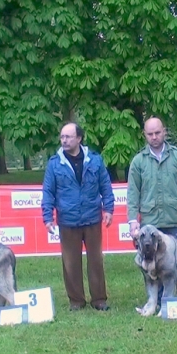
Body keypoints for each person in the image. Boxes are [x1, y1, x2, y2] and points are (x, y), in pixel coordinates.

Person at [42, 122, 115, 311]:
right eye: (62, 137)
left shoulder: (95, 160)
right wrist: (48, 217)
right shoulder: (54, 164)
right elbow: (48, 192)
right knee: (70, 263)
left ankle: (99, 299)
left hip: (92, 217)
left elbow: (105, 186)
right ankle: (76, 301)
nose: (64, 140)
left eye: (68, 137)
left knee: (96, 261)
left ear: (79, 138)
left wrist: (108, 209)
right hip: (67, 220)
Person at [127, 117, 177, 300]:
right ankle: (158, 301)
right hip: (151, 225)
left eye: (157, 133)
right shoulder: (138, 162)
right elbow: (133, 193)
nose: (154, 137)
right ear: (145, 135)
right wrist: (133, 220)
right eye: (150, 134)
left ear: (164, 132)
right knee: (153, 264)